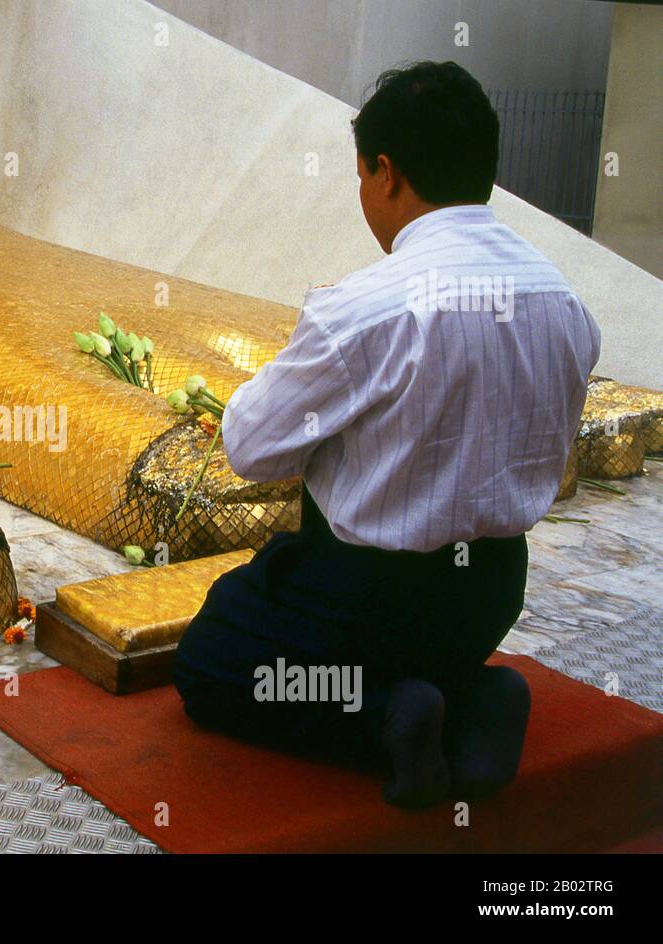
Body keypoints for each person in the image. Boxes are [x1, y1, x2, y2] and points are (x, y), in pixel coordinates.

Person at [173, 61, 601, 808]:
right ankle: (470, 697)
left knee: (214, 657)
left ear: (386, 172)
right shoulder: (561, 300)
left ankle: (385, 721)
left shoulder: (368, 309)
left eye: (361, 175)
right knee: (413, 642)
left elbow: (249, 446)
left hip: (363, 602)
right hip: (492, 591)